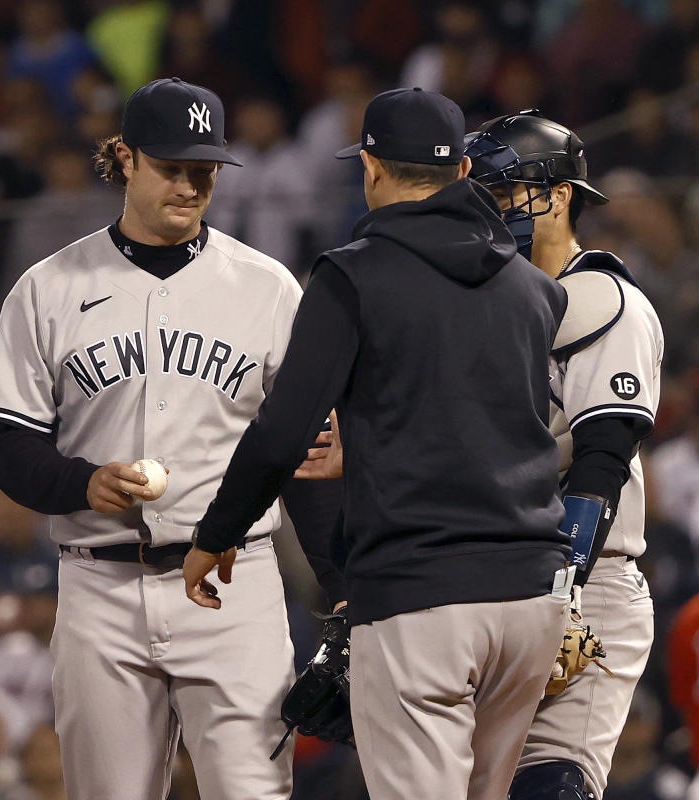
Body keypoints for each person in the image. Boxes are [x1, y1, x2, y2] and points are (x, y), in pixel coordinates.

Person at [183, 87, 572, 800]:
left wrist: (217, 532)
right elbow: (475, 425)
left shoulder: (353, 275)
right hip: (531, 597)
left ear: (369, 169)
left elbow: (282, 432)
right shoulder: (536, 292)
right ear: (460, 173)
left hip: (422, 594)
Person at [0, 77, 343, 800]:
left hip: (235, 585)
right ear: (123, 157)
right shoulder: (48, 287)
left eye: (203, 170)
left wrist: (341, 590)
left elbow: (304, 458)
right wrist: (82, 483)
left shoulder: (268, 288)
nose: (189, 185)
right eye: (172, 167)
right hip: (98, 582)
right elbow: (10, 445)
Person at [467, 110, 663, 800]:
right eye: (480, 195)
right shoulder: (477, 303)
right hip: (484, 579)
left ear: (558, 194)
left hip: (584, 579)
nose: (489, 211)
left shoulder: (604, 298)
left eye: (503, 191)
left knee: (551, 786)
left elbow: (604, 455)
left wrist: (562, 589)